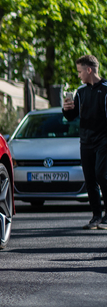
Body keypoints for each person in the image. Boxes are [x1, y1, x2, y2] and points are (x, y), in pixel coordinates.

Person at [63, 55, 107, 229]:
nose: (79, 75)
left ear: (89, 70)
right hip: (85, 141)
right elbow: (72, 117)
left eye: (80, 71)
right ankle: (96, 216)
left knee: (101, 175)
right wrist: (66, 110)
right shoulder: (80, 92)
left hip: (104, 140)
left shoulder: (105, 89)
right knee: (90, 179)